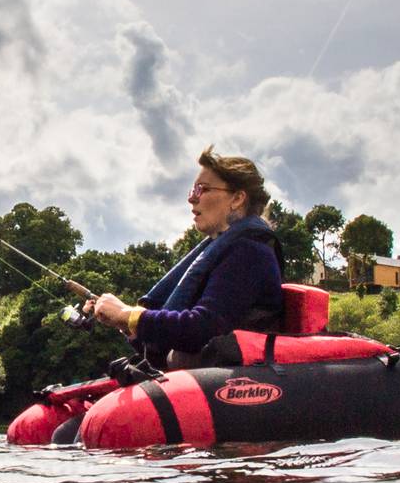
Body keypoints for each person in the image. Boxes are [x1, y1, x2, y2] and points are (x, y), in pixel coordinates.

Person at [87, 145, 284, 374]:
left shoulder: (250, 252)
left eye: (202, 189)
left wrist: (127, 315)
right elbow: (180, 333)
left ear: (238, 198)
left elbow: (201, 329)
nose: (192, 199)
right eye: (193, 189)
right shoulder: (230, 247)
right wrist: (122, 320)